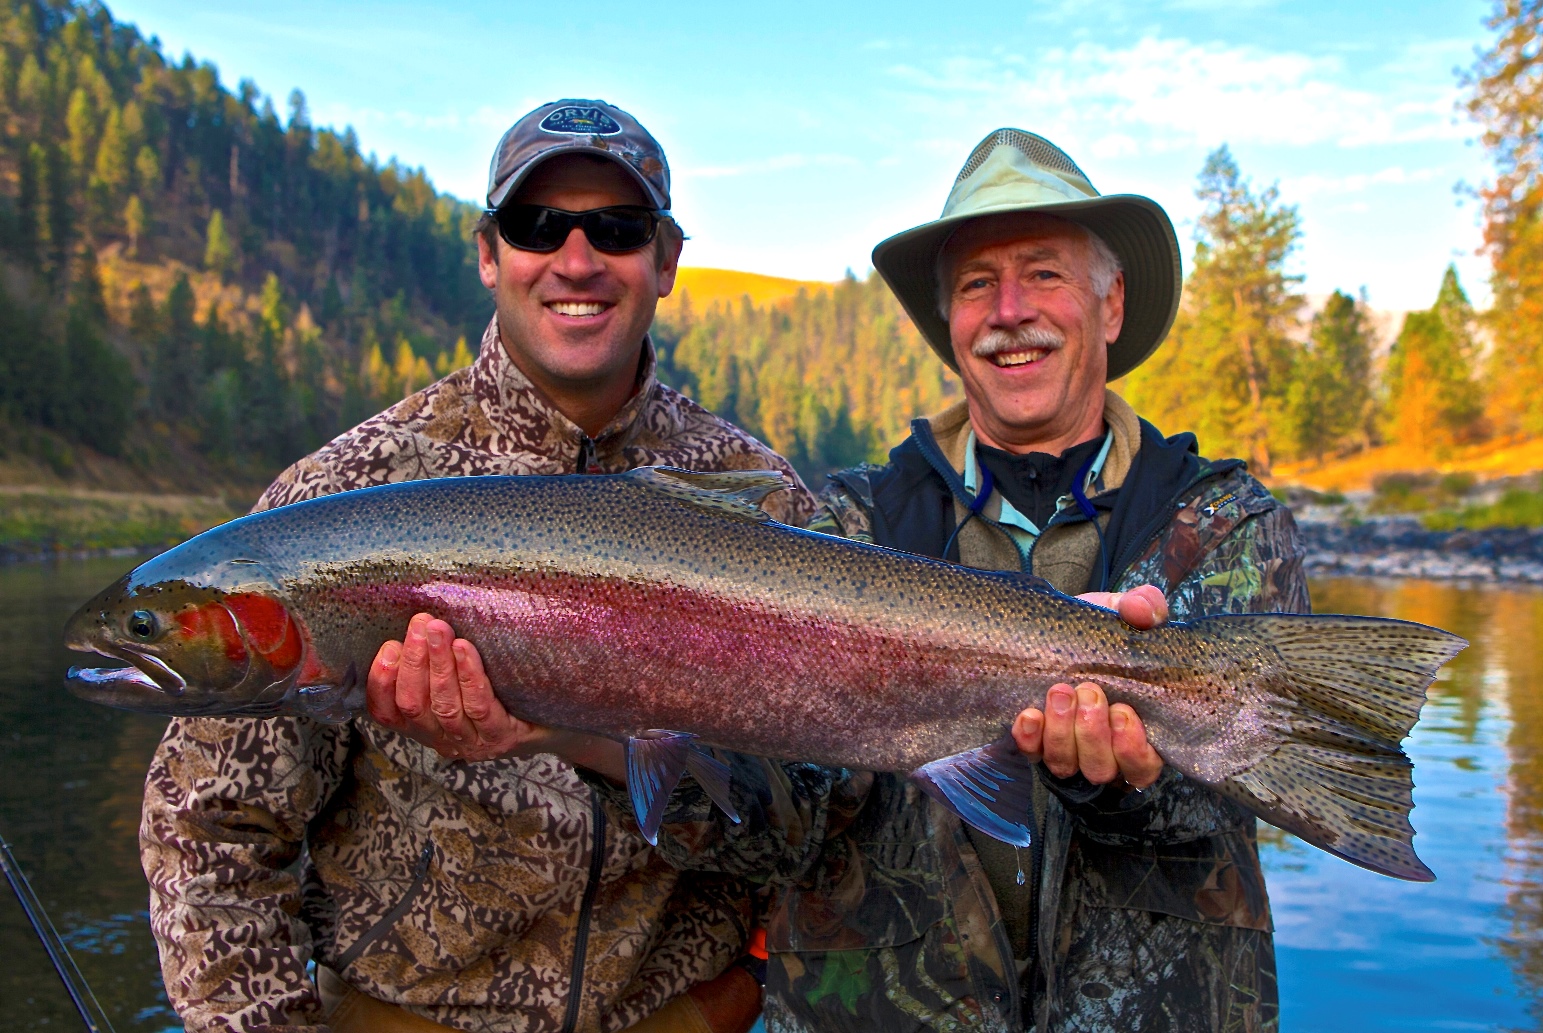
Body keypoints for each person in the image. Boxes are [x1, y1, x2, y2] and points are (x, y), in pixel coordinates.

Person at [379, 128, 1305, 1032]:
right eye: (978, 283)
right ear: (949, 321)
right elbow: (781, 820)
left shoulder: (1224, 525)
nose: (1009, 307)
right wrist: (558, 724)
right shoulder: (839, 527)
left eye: (1045, 273)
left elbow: (1246, 801)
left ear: (1109, 306)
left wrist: (1123, 776)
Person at [139, 99, 812, 1033]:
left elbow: (812, 831)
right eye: (539, 226)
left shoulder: (759, 496)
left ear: (665, 262)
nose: (577, 260)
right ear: (490, 254)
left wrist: (596, 745)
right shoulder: (339, 495)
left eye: (616, 229)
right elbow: (208, 834)